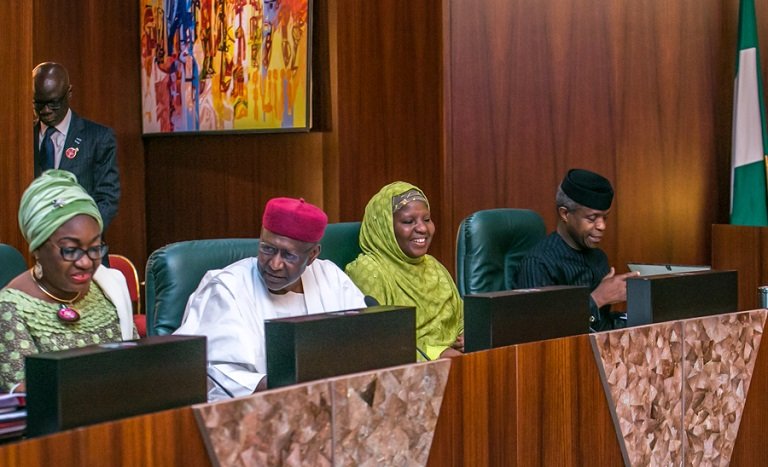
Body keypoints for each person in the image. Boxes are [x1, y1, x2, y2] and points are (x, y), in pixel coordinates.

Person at [174, 197, 366, 400]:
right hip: (246, 410)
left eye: (288, 256)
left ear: (312, 256)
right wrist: (291, 391)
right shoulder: (227, 288)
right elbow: (213, 369)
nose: (274, 264)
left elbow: (362, 342)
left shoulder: (331, 279)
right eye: (267, 249)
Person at [0, 170, 136, 393]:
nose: (86, 262)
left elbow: (139, 364)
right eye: (71, 250)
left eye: (94, 248)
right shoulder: (10, 309)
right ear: (37, 249)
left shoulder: (109, 288)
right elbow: (31, 399)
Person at [345, 181, 464, 361]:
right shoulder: (368, 271)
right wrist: (436, 354)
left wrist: (469, 337)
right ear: (385, 228)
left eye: (426, 219)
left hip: (459, 362)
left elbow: (461, 318)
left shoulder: (433, 265)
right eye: (409, 221)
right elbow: (380, 343)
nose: (423, 229)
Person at [516, 168, 638, 331]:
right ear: (565, 214)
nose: (602, 226)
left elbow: (598, 325)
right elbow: (539, 332)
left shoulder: (598, 257)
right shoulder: (539, 263)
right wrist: (598, 298)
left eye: (605, 217)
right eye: (592, 218)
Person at [33, 62, 120, 236]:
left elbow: (107, 199)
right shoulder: (22, 140)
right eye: (39, 104)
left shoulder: (98, 138)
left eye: (53, 103)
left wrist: (79, 236)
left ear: (69, 93)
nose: (46, 110)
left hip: (81, 248)